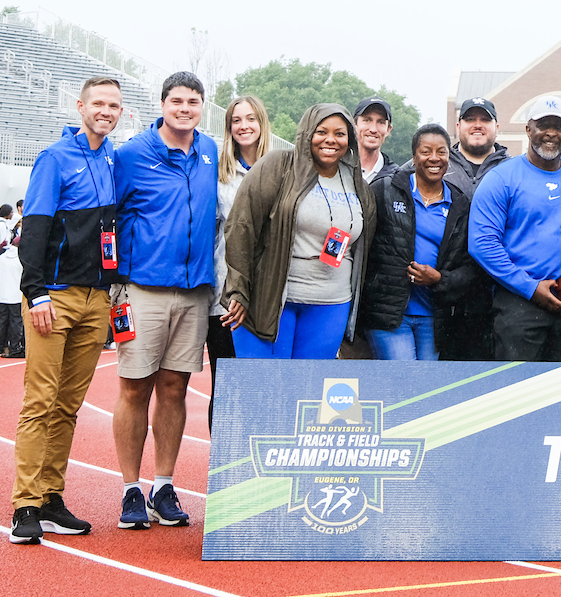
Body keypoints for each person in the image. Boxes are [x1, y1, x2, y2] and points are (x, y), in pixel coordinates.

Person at [10, 76, 123, 545]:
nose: (106, 110)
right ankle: (25, 505)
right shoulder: (55, 158)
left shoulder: (115, 158)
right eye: (98, 103)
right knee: (40, 401)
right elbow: (33, 228)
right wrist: (34, 291)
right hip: (53, 295)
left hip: (96, 299)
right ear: (81, 106)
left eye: (114, 104)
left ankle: (52, 497)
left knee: (68, 406)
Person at [113, 71, 217, 530]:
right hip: (143, 290)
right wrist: (113, 284)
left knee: (175, 389)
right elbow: (107, 218)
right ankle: (130, 489)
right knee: (135, 387)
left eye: (193, 101)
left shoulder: (211, 151)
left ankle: (164, 484)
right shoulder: (132, 154)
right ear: (162, 104)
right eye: (177, 101)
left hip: (194, 293)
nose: (185, 109)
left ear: (201, 107)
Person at [223, 103, 374, 360]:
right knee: (268, 390)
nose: (330, 140)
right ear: (307, 134)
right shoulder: (278, 166)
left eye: (340, 133)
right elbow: (241, 226)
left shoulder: (357, 183)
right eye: (321, 132)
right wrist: (238, 288)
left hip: (331, 302)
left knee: (308, 392)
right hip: (273, 299)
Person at [469, 96, 561, 362]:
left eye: (558, 126)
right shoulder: (501, 178)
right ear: (528, 129)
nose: (550, 133)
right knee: (517, 395)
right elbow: (482, 244)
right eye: (542, 125)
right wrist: (529, 287)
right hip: (519, 304)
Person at [359, 125, 476, 360]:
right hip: (389, 314)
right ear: (414, 157)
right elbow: (362, 246)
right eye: (426, 151)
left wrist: (440, 279)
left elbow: (470, 266)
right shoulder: (385, 190)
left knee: (426, 388)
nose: (434, 158)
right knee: (406, 379)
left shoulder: (460, 204)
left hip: (434, 317)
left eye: (441, 152)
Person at [206, 95, 271, 432]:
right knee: (226, 383)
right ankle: (223, 468)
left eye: (250, 119)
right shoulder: (218, 170)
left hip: (268, 294)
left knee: (261, 385)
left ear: (262, 123)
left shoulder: (281, 166)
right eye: (236, 120)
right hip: (224, 294)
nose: (244, 126)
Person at [439, 97, 511, 360]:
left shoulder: (513, 169)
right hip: (446, 293)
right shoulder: (435, 164)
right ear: (458, 125)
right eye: (470, 119)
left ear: (497, 126)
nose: (477, 125)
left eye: (485, 119)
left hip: (498, 289)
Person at [0, 237, 25, 358]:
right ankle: (14, 347)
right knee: (16, 322)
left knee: (0, 322)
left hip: (1, 295)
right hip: (16, 295)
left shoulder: (1, 258)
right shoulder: (21, 259)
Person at [355, 95, 398, 184]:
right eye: (367, 120)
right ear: (355, 124)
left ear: (388, 129)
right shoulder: (336, 168)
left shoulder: (397, 178)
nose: (373, 129)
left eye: (381, 122)